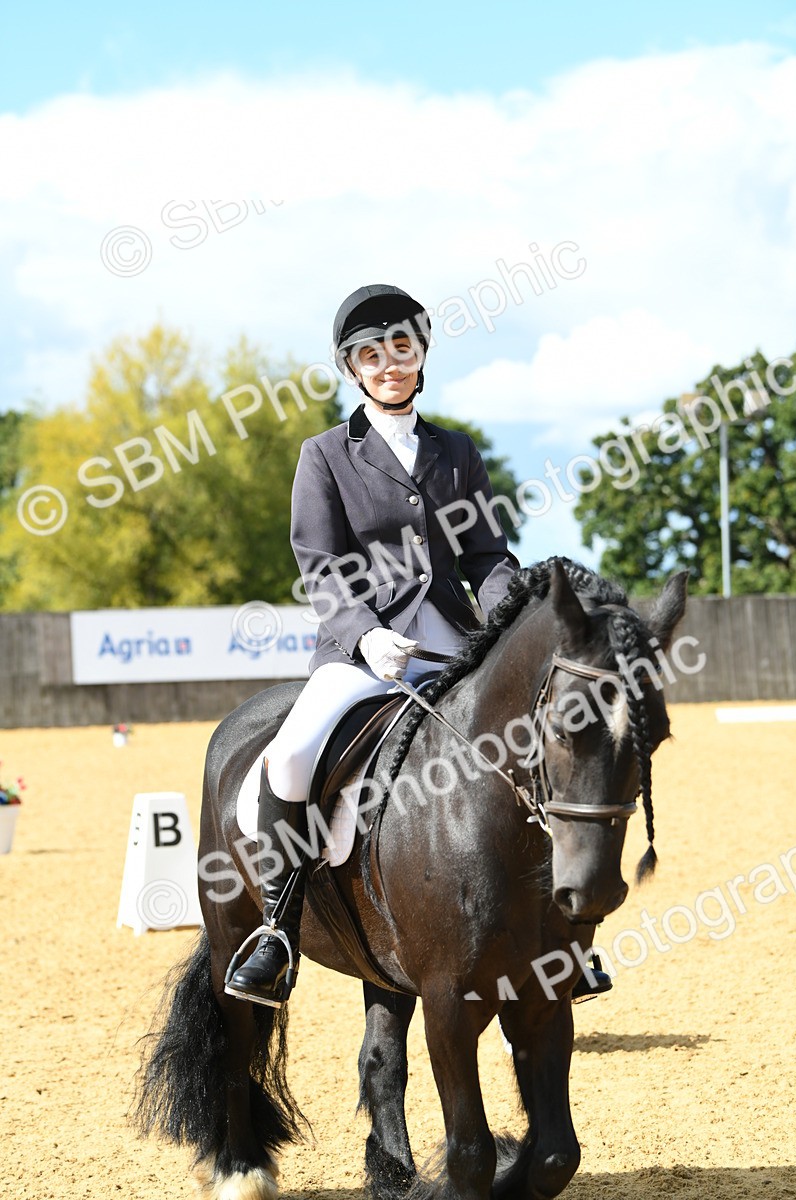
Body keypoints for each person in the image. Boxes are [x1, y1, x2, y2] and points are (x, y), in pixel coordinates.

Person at [225, 284, 610, 1007]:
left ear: (421, 355)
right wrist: (365, 634)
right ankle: (278, 927)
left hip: (459, 645)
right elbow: (320, 566)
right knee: (292, 754)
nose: (389, 364)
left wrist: (511, 620)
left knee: (547, 745)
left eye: (401, 348)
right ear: (353, 368)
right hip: (364, 649)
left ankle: (564, 932)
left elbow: (487, 557)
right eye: (372, 355)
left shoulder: (455, 451)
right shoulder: (325, 455)